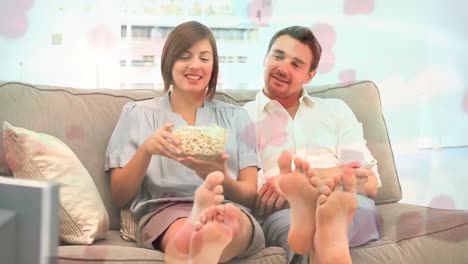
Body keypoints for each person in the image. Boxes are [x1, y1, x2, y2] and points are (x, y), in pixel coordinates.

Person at [105, 21, 264, 264]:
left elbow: (250, 196)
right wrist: (147, 150)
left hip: (228, 205)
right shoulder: (137, 113)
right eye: (185, 56)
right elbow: (119, 196)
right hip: (166, 210)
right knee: (194, 233)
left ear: (214, 66)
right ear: (169, 63)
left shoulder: (236, 116)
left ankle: (206, 228)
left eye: (204, 58)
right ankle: (202, 231)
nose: (195, 66)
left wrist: (221, 177)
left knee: (231, 220)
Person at [243, 26, 381, 264]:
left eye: (296, 64)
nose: (283, 68)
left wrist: (301, 182)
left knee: (330, 216)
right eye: (278, 56)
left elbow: (370, 182)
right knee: (306, 227)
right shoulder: (241, 119)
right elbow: (251, 191)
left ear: (310, 75)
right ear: (265, 58)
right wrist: (338, 175)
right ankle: (326, 224)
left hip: (348, 201)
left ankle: (326, 221)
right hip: (287, 213)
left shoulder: (336, 110)